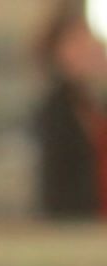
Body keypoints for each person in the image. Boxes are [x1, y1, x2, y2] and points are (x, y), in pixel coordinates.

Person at [34, 2, 107, 219]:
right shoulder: (56, 110)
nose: (91, 50)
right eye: (78, 43)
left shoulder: (95, 102)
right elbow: (55, 182)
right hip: (78, 221)